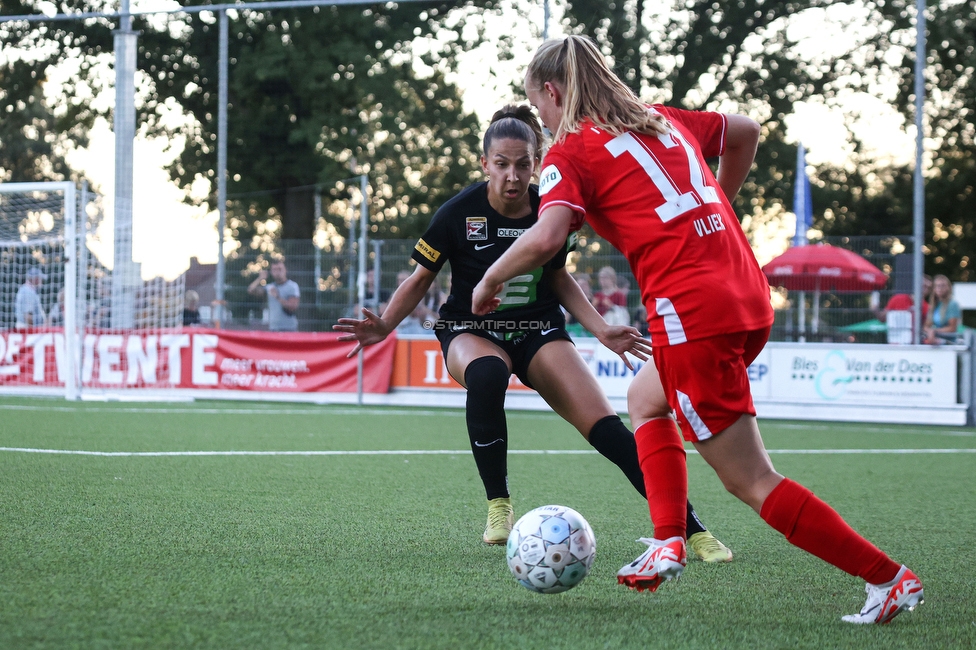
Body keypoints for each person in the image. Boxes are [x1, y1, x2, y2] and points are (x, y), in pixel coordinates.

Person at [470, 36, 923, 624]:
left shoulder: (570, 154)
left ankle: (888, 579)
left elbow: (550, 235)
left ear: (553, 93)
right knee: (644, 397)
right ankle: (669, 538)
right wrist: (720, 208)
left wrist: (491, 278)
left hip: (694, 316)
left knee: (750, 479)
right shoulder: (660, 120)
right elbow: (745, 130)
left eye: (541, 106)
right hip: (746, 292)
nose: (544, 121)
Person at [335, 104, 732, 563]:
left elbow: (559, 276)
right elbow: (421, 278)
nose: (512, 175)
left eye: (523, 163)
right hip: (470, 328)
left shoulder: (553, 210)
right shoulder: (456, 213)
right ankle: (498, 504)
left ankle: (693, 529)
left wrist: (601, 329)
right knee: (487, 375)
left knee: (608, 430)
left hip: (539, 329)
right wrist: (385, 323)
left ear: (536, 162)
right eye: (501, 164)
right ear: (485, 164)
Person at [873, 275, 931, 344]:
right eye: (924, 286)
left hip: (915, 345)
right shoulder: (897, 299)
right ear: (916, 285)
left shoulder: (927, 307)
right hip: (896, 343)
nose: (925, 289)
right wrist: (874, 308)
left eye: (928, 288)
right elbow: (882, 318)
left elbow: (925, 328)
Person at [248, 257, 300, 332]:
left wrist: (277, 297)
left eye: (280, 269)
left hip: (289, 329)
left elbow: (293, 306)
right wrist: (260, 278)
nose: (277, 272)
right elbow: (251, 290)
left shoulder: (292, 286)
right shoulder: (270, 287)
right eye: (274, 270)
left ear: (286, 270)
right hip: (273, 329)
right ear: (271, 272)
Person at [924, 274, 961, 344]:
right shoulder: (934, 305)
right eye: (937, 286)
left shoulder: (952, 304)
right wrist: (929, 331)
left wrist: (934, 331)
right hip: (936, 341)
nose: (940, 288)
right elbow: (926, 325)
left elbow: (952, 328)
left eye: (943, 285)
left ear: (948, 288)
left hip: (948, 343)